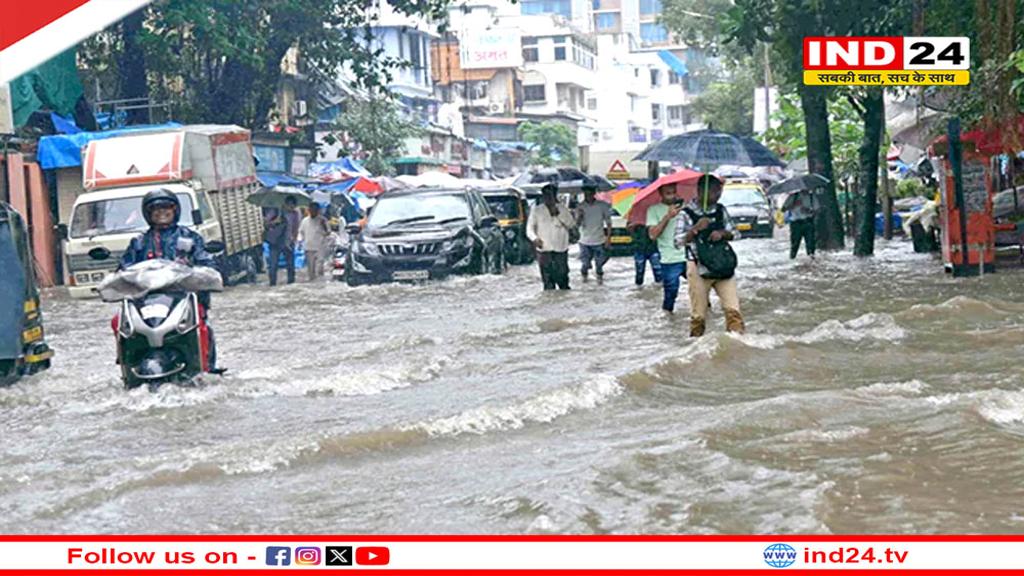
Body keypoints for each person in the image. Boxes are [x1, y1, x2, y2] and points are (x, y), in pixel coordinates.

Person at [119, 188, 221, 370]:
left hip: (182, 298)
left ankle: (207, 366)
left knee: (201, 324)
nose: (162, 213)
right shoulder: (139, 242)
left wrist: (204, 274)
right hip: (146, 301)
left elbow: (205, 262)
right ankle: (126, 363)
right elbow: (125, 267)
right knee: (117, 321)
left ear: (175, 210)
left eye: (167, 208)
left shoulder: (189, 237)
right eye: (156, 210)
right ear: (148, 214)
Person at [675, 174, 745, 337]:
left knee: (733, 310)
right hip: (698, 267)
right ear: (700, 191)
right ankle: (696, 346)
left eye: (719, 191)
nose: (718, 195)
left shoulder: (721, 210)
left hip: (723, 266)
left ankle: (737, 345)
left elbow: (736, 234)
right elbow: (678, 242)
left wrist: (722, 233)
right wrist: (695, 229)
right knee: (699, 315)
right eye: (714, 191)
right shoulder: (685, 213)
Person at [646, 184, 689, 312]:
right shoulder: (653, 210)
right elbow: (653, 235)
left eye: (673, 192)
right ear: (661, 193)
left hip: (690, 256)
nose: (672, 195)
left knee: (700, 291)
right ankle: (668, 319)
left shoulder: (686, 209)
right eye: (668, 193)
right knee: (670, 296)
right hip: (669, 259)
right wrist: (668, 216)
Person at [527, 183, 576, 290]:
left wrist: (558, 214)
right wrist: (535, 239)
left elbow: (571, 224)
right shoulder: (537, 210)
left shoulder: (563, 209)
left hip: (561, 249)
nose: (548, 198)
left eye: (551, 195)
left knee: (563, 279)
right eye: (546, 195)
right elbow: (529, 229)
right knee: (547, 282)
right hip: (544, 250)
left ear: (555, 196)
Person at [575, 179, 612, 283]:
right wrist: (580, 217)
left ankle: (600, 281)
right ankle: (584, 280)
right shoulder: (580, 206)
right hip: (584, 240)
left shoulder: (602, 205)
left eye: (590, 193)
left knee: (599, 265)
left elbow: (608, 223)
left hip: (599, 240)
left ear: (594, 193)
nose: (588, 196)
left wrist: (608, 238)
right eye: (586, 194)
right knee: (585, 264)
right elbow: (576, 225)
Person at [264, 196, 300, 286]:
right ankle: (272, 284)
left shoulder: (295, 214)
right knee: (273, 265)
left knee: (290, 265)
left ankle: (291, 283)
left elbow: (296, 228)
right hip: (275, 242)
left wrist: (294, 240)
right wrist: (275, 221)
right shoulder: (276, 211)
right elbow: (266, 223)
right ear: (286, 204)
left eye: (293, 206)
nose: (291, 207)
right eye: (290, 205)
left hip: (288, 242)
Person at [298, 202, 330, 281]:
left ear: (318, 210)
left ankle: (320, 284)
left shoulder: (323, 220)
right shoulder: (304, 221)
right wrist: (299, 242)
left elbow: (328, 232)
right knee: (311, 270)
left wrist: (324, 226)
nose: (313, 211)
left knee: (320, 268)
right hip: (308, 247)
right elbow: (301, 232)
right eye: (311, 210)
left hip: (320, 247)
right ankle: (312, 282)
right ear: (309, 210)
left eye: (315, 210)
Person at [785, 188, 820, 259]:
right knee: (795, 244)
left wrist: (809, 210)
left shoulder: (811, 197)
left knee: (811, 244)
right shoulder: (793, 196)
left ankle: (811, 259)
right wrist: (794, 204)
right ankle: (792, 258)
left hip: (808, 222)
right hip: (796, 223)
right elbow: (783, 209)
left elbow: (817, 210)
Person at [628, 220, 661, 286]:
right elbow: (629, 229)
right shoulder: (635, 217)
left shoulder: (654, 216)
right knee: (639, 272)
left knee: (658, 271)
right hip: (639, 248)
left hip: (653, 247)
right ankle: (639, 289)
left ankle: (659, 288)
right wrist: (634, 224)